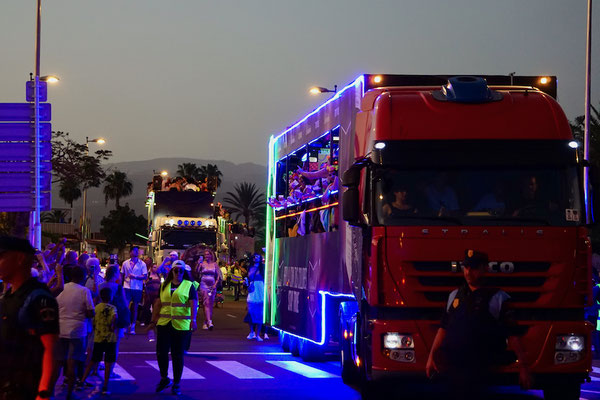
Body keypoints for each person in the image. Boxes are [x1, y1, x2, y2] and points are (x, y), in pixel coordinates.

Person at [426, 250, 531, 399]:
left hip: (481, 370)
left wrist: (523, 368)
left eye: (474, 268)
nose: (468, 272)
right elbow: (443, 329)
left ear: (485, 268)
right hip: (454, 369)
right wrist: (431, 358)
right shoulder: (454, 295)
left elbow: (513, 334)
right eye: (466, 267)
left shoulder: (498, 297)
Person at [0, 236, 59, 400]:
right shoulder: (10, 297)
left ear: (19, 258)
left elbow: (51, 349)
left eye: (2, 256)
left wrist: (43, 393)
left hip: (24, 390)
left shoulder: (38, 297)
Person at [147, 263, 198, 395]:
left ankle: (176, 383)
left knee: (177, 354)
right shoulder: (164, 285)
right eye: (176, 270)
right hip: (164, 323)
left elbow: (194, 303)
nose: (178, 273)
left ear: (184, 272)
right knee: (161, 352)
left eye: (181, 271)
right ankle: (164, 378)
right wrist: (153, 321)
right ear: (172, 271)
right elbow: (158, 303)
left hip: (181, 325)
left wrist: (193, 320)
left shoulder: (189, 285)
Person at [55, 266, 95, 400]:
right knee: (73, 363)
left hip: (61, 328)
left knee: (58, 362)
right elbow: (90, 312)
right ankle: (70, 393)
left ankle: (50, 390)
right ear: (82, 277)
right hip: (78, 330)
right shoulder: (84, 291)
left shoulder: (61, 288)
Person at [81, 287, 118, 395]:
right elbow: (115, 317)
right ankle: (105, 386)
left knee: (93, 360)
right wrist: (112, 326)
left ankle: (82, 381)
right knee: (108, 363)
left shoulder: (96, 307)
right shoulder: (112, 308)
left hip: (98, 337)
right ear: (110, 297)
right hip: (110, 338)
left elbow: (92, 320)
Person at [120, 246, 148, 335]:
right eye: (135, 251)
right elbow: (122, 275)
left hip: (137, 287)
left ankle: (133, 326)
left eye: (137, 251)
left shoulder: (142, 264)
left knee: (135, 307)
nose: (136, 252)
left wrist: (135, 276)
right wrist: (120, 286)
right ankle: (125, 325)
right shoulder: (125, 263)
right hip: (127, 286)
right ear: (130, 252)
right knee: (126, 306)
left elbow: (145, 276)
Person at [246, 254, 267, 341]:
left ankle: (258, 334)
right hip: (252, 289)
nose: (256, 258)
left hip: (261, 289)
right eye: (254, 257)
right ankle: (252, 332)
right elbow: (248, 278)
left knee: (260, 313)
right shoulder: (250, 267)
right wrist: (246, 283)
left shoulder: (263, 268)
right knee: (251, 311)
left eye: (258, 257)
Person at [197, 249, 220, 330]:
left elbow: (218, 276)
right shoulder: (202, 264)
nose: (206, 256)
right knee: (206, 303)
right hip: (204, 284)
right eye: (205, 255)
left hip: (212, 285)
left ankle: (206, 321)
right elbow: (197, 272)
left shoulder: (215, 264)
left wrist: (215, 284)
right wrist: (198, 264)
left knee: (210, 304)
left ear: (211, 255)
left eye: (208, 254)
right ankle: (209, 322)